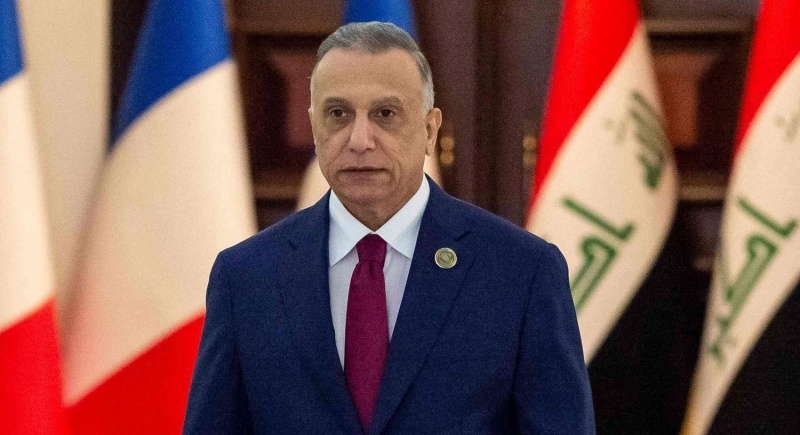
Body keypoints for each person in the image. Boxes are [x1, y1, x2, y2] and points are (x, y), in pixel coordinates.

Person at [183, 21, 595, 435]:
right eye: (338, 114)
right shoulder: (246, 277)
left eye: (385, 114)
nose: (359, 140)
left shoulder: (521, 271)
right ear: (313, 128)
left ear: (430, 130)